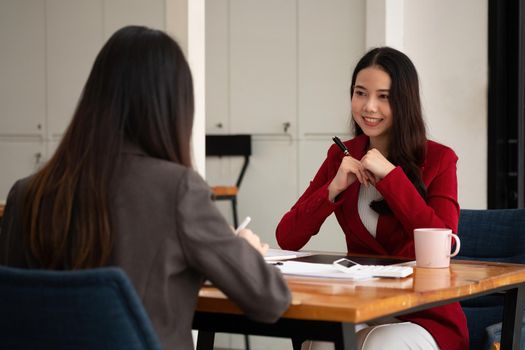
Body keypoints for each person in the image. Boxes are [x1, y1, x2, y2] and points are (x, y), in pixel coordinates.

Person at [0, 25, 291, 350]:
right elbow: (270, 300)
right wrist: (244, 252)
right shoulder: (178, 191)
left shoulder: (25, 194)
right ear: (173, 107)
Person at [276, 47, 468, 350]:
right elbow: (287, 237)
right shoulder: (341, 155)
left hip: (424, 318)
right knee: (324, 342)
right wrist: (332, 190)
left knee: (380, 343)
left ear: (404, 101)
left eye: (383, 96)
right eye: (360, 93)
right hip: (363, 308)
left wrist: (392, 178)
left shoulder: (440, 160)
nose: (368, 106)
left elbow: (442, 246)